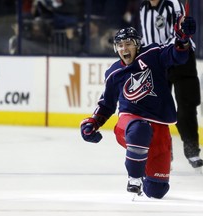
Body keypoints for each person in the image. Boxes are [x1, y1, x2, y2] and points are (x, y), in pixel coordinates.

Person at [80, 15, 196, 198]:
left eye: (128, 44)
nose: (124, 48)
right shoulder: (114, 73)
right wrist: (92, 122)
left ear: (137, 45)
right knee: (139, 129)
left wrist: (183, 39)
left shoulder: (153, 54)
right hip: (130, 121)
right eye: (120, 45)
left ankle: (143, 170)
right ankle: (134, 178)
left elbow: (177, 56)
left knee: (157, 191)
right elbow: (106, 104)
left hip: (159, 127)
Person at [139, 0, 203, 169]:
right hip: (157, 62)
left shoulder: (172, 3)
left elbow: (182, 27)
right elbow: (147, 38)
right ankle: (165, 150)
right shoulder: (143, 7)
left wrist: (183, 31)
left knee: (186, 104)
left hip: (180, 58)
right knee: (157, 109)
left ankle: (192, 149)